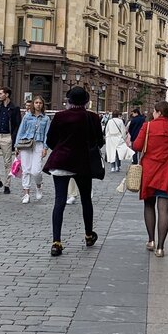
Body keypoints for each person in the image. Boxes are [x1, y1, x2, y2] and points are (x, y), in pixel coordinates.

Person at [43, 86, 104, 257]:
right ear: (86, 101)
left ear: (68, 100)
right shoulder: (92, 117)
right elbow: (99, 141)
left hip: (61, 161)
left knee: (59, 202)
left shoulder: (60, 116)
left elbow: (50, 140)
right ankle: (88, 235)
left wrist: (62, 149)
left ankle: (56, 242)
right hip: (83, 164)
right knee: (86, 200)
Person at [132, 101, 168, 257]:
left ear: (158, 112)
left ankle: (151, 240)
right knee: (164, 209)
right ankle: (160, 247)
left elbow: (137, 146)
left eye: (154, 111)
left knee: (149, 205)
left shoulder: (148, 126)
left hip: (150, 171)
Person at [15, 95, 50, 204]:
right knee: (26, 169)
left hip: (38, 144)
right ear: (33, 104)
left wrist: (45, 147)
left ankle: (39, 186)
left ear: (43, 105)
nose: (38, 105)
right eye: (36, 103)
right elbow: (21, 130)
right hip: (26, 143)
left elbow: (47, 134)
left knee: (36, 171)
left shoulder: (46, 118)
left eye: (40, 103)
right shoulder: (27, 117)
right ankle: (26, 193)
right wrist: (17, 145)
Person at [0, 87, 21, 194]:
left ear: (7, 95)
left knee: (7, 162)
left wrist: (14, 137)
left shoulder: (15, 108)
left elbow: (17, 125)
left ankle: (7, 185)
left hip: (7, 137)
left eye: (1, 93)